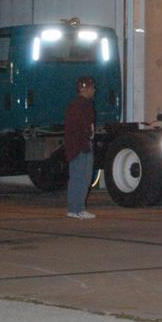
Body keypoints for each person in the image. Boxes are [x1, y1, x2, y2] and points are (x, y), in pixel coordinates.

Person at [64, 75, 96, 219]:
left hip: (75, 146)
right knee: (83, 178)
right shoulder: (82, 105)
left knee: (76, 177)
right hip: (81, 146)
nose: (94, 90)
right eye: (92, 87)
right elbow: (82, 127)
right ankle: (79, 209)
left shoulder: (74, 105)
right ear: (84, 88)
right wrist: (85, 144)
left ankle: (73, 209)